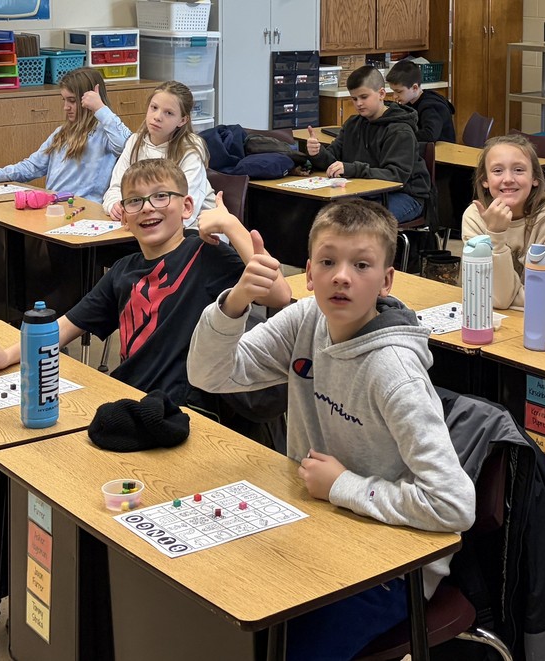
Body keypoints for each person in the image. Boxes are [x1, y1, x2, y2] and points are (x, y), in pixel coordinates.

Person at [186, 199, 475, 660]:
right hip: (313, 527)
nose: (342, 276)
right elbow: (211, 374)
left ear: (386, 281)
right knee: (214, 611)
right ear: (308, 273)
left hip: (391, 568)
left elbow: (454, 505)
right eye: (328, 262)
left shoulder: (394, 371)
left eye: (361, 265)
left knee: (283, 649)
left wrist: (343, 486)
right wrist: (236, 302)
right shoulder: (307, 320)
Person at [0, 158, 291, 426]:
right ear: (123, 216)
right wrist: (7, 355)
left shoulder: (206, 255)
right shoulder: (123, 271)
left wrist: (231, 225)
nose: (148, 208)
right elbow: (67, 325)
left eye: (162, 196)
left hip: (183, 412)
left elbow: (278, 296)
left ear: (187, 206)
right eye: (135, 201)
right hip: (129, 397)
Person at [0, 68, 130, 203]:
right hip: (56, 207)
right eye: (64, 100)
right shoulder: (61, 134)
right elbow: (30, 167)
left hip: (85, 211)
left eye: (72, 101)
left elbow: (127, 144)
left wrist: (100, 108)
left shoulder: (105, 134)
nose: (66, 107)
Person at [461, 133, 545, 314]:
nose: (508, 179)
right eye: (497, 171)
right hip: (492, 321)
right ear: (485, 180)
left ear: (535, 178)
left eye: (519, 170)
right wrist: (495, 234)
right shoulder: (475, 217)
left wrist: (501, 296)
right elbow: (493, 298)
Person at [306, 66, 431, 223]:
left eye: (364, 97)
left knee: (360, 222)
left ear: (381, 94)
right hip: (364, 193)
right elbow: (333, 160)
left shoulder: (400, 131)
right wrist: (317, 153)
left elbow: (396, 176)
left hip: (404, 196)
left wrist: (352, 169)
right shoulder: (352, 124)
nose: (358, 103)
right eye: (354, 98)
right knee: (317, 212)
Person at [102, 80, 216, 226]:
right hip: (148, 224)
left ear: (182, 120)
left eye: (168, 113)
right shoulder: (135, 142)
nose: (157, 117)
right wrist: (115, 205)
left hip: (194, 230)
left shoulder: (190, 149)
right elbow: (116, 187)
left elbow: (185, 211)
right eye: (154, 107)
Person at [385, 60, 456, 144]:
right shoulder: (411, 100)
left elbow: (430, 135)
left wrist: (400, 136)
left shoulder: (430, 106)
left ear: (414, 88)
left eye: (399, 92)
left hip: (441, 153)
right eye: (393, 91)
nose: (394, 96)